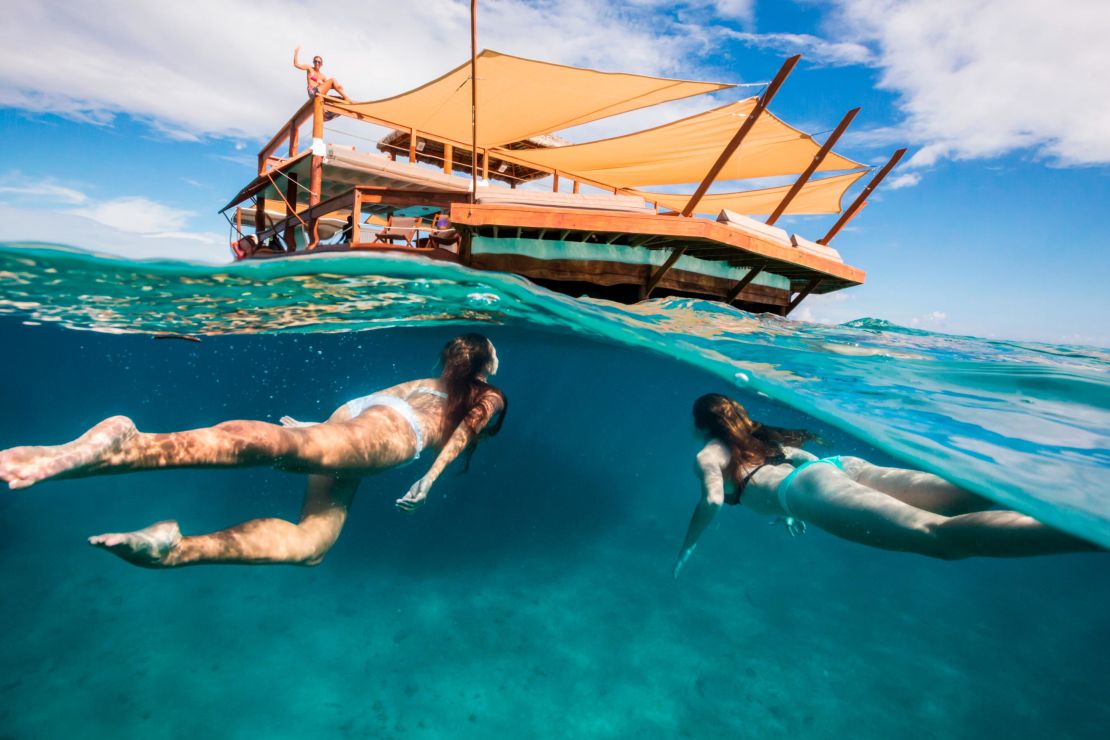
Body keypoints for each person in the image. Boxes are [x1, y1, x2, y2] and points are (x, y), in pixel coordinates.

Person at [0, 335, 506, 568]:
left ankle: (175, 550)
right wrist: (430, 478)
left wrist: (321, 426)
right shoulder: (488, 395)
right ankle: (133, 447)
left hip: (360, 419)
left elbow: (370, 403)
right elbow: (460, 434)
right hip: (394, 438)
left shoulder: (428, 380)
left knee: (313, 545)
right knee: (283, 447)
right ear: (486, 363)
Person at [673, 393, 1099, 576]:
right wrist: (787, 506)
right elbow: (797, 462)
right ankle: (1088, 498)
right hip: (840, 468)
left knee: (939, 538)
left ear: (699, 424)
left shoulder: (709, 453)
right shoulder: (755, 435)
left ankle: (1095, 534)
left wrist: (690, 543)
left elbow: (713, 498)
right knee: (963, 495)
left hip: (807, 490)